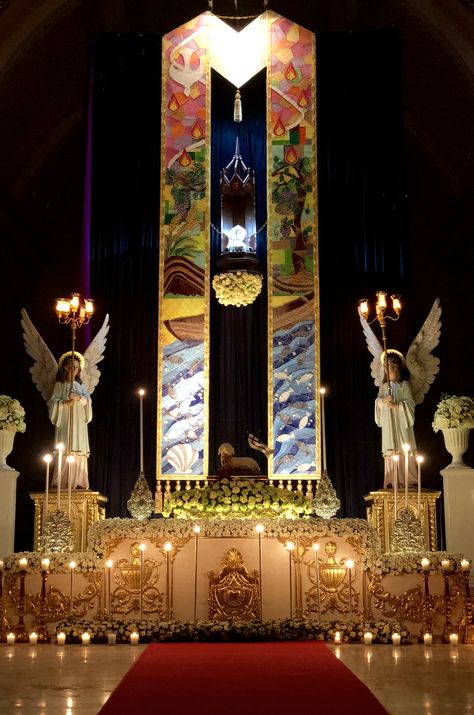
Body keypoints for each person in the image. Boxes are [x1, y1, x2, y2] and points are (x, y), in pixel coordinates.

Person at [49, 351, 92, 489]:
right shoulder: (59, 386)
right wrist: (64, 404)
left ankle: (79, 481)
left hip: (79, 424)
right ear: (66, 368)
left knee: (78, 448)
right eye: (71, 366)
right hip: (65, 422)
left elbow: (88, 402)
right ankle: (61, 481)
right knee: (64, 447)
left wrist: (79, 398)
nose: (74, 369)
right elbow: (52, 403)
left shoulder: (81, 387)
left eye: (77, 367)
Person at [374, 352, 418, 488]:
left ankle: (410, 480)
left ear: (396, 368)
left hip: (401, 421)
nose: (387, 369)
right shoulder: (383, 387)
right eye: (385, 367)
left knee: (404, 446)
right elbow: (378, 403)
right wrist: (383, 400)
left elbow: (410, 403)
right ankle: (392, 480)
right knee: (390, 448)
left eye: (390, 366)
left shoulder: (404, 385)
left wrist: (398, 405)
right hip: (388, 422)